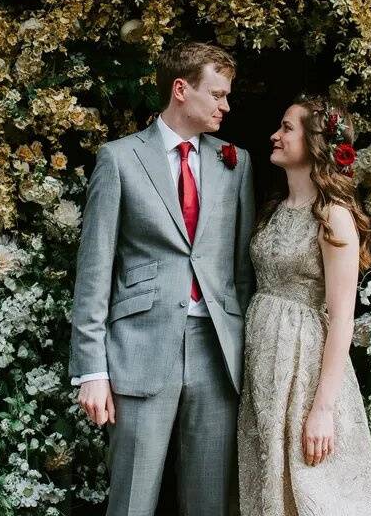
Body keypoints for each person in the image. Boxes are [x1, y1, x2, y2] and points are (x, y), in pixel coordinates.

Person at [68, 41, 256, 516]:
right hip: (139, 350)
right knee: (131, 503)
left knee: (210, 503)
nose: (225, 106)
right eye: (216, 94)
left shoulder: (236, 162)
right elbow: (94, 272)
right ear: (180, 89)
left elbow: (240, 272)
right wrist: (92, 370)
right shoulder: (119, 159)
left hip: (217, 354)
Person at [237, 95, 371, 515]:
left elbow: (342, 317)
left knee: (315, 488)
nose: (276, 134)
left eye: (287, 127)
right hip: (265, 364)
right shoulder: (274, 208)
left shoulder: (333, 215)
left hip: (304, 367)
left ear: (315, 141)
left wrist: (322, 409)